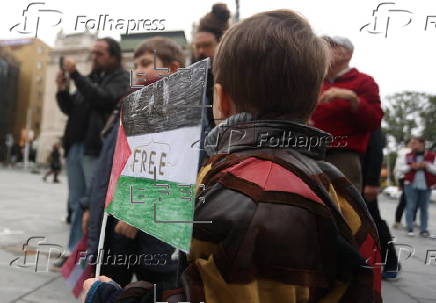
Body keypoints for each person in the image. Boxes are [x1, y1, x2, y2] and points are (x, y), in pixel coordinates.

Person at [82, 10, 382, 303]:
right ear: (316, 99)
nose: (139, 70)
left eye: (147, 62)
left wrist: (110, 297)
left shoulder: (249, 197)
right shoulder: (337, 184)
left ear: (221, 100)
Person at [79, 37, 186, 288]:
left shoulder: (179, 111)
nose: (138, 69)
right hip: (115, 217)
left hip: (151, 225)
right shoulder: (128, 105)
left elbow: (175, 167)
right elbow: (107, 163)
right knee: (108, 282)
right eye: (135, 64)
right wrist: (88, 205)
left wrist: (140, 213)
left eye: (147, 63)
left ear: (173, 69)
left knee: (157, 286)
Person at [55, 37, 129, 263]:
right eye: (93, 53)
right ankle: (73, 252)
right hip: (76, 147)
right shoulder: (89, 79)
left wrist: (76, 76)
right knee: (76, 202)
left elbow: (103, 99)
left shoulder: (121, 78)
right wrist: (62, 90)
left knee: (93, 203)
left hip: (95, 149)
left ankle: (91, 253)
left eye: (100, 53)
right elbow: (72, 108)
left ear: (114, 57)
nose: (94, 57)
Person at [311, 36, 383, 192]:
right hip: (308, 151)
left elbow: (374, 122)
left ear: (347, 54)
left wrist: (353, 99)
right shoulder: (313, 80)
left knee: (343, 207)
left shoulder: (364, 82)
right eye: (324, 45)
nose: (326, 48)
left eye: (332, 45)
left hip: (343, 155)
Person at [192, 3, 230, 164]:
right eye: (197, 46)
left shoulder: (232, 77)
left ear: (221, 42)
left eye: (206, 46)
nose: (200, 51)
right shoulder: (193, 77)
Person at [361, 128, 400, 279]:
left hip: (364, 177)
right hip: (350, 172)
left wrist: (372, 181)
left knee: (374, 219)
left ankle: (391, 261)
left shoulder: (369, 113)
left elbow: (376, 150)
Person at [397, 136, 436, 237]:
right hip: (410, 184)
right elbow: (400, 168)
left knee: (424, 208)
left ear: (422, 144)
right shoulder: (407, 155)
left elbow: (435, 170)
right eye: (412, 143)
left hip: (426, 185)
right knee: (410, 206)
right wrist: (411, 166)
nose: (412, 145)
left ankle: (423, 230)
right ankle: (410, 228)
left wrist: (426, 165)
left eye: (414, 143)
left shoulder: (432, 156)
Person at [393, 140, 418, 229]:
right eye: (413, 143)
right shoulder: (405, 152)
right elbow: (400, 167)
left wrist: (397, 179)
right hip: (405, 177)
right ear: (409, 144)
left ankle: (400, 221)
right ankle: (404, 221)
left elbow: (396, 168)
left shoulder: (410, 152)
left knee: (408, 200)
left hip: (405, 177)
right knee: (406, 200)